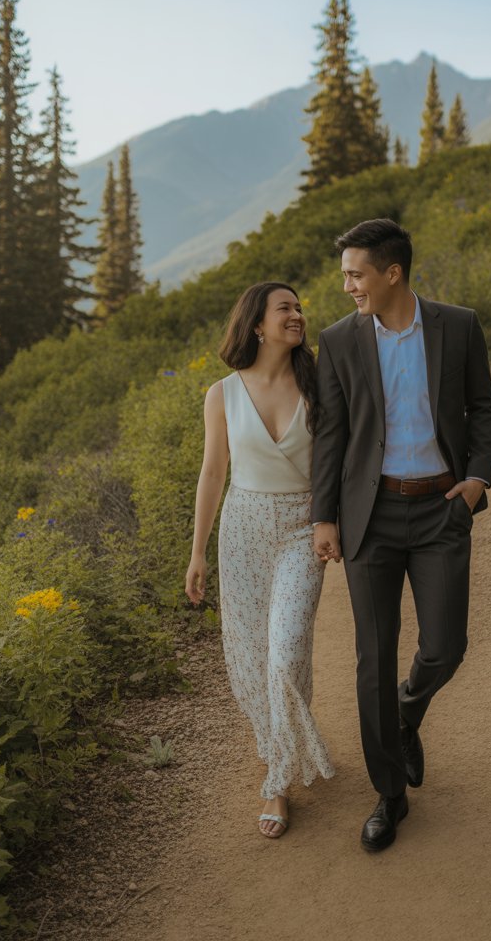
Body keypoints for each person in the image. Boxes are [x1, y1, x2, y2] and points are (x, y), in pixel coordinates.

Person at [311, 218, 491, 852]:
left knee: (446, 647)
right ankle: (390, 795)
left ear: (393, 273)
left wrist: (476, 480)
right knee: (373, 656)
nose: (347, 287)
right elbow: (331, 434)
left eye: (355, 274)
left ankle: (406, 711)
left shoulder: (459, 324)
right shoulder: (337, 342)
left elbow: (483, 406)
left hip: (443, 509)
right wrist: (324, 516)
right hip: (372, 517)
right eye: (344, 275)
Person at [185, 281, 334, 838]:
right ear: (256, 324)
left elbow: (336, 460)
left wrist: (330, 519)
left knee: (285, 652)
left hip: (302, 530)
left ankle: (276, 779)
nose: (297, 315)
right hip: (242, 530)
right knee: (250, 656)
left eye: (298, 308)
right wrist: (198, 552)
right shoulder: (221, 394)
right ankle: (279, 757)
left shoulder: (320, 382)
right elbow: (213, 473)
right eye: (285, 309)